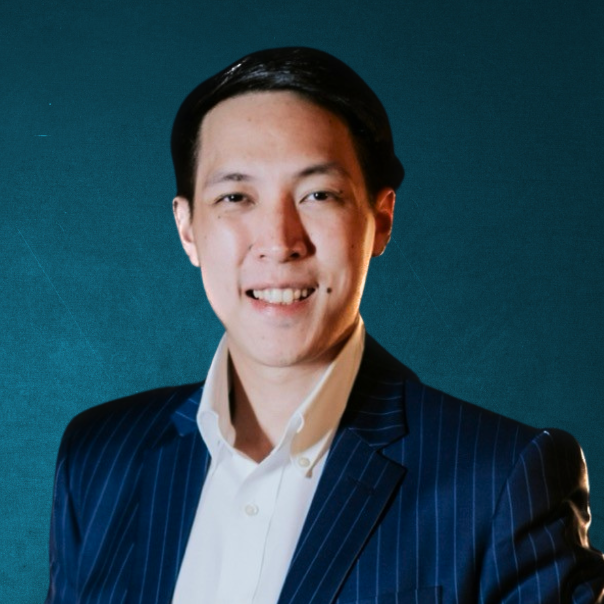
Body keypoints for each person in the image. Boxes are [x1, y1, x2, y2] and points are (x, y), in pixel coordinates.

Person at [45, 47, 604, 604]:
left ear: (380, 219)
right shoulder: (100, 457)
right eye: (235, 196)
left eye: (318, 195)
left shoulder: (502, 479)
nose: (279, 242)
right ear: (187, 229)